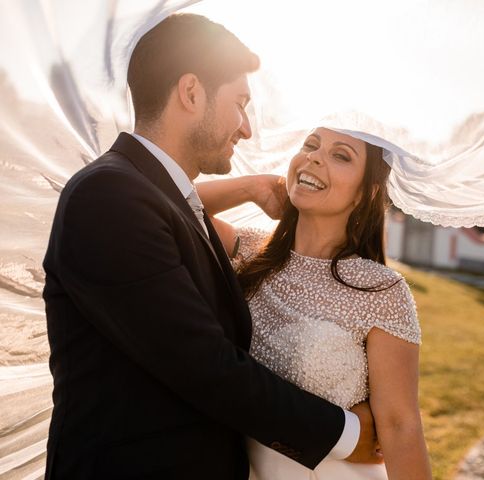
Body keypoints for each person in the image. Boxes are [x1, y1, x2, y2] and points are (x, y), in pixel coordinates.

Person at [42, 14, 378, 479]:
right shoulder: (108, 197)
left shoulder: (151, 195)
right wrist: (346, 435)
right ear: (191, 92)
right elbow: (205, 366)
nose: (245, 129)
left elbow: (181, 216)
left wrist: (246, 189)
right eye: (240, 104)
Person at [197, 127, 433, 479]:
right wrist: (251, 188)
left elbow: (401, 427)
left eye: (341, 155)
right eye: (310, 145)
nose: (315, 157)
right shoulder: (246, 252)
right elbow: (167, 201)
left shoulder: (381, 290)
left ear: (365, 193)